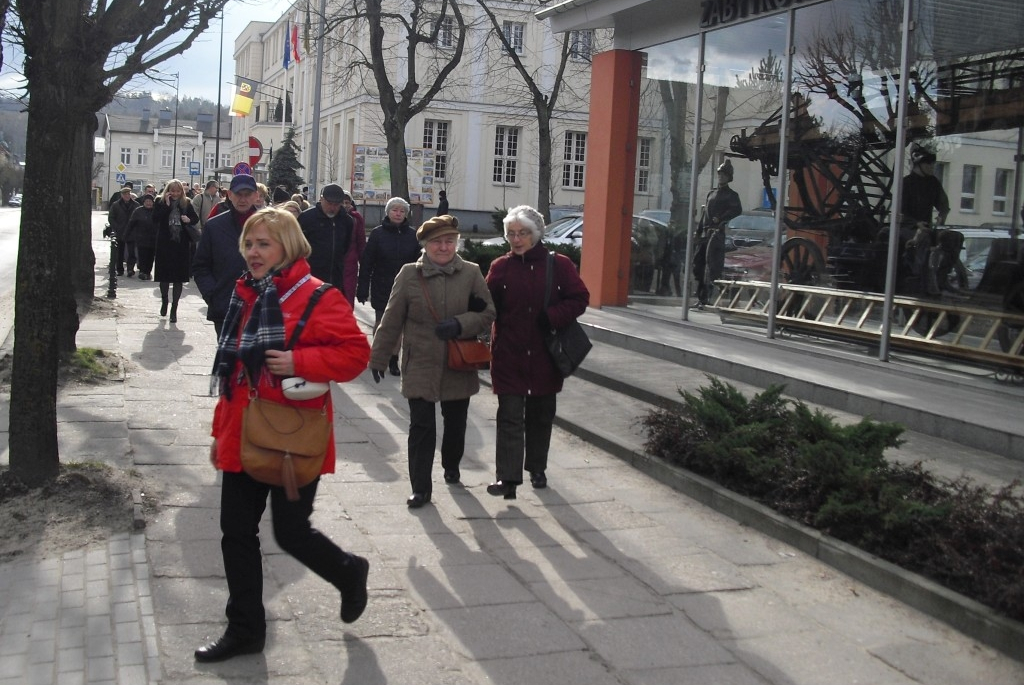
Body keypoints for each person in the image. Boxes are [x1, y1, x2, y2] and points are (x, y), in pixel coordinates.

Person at [195, 207, 371, 663]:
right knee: (235, 532)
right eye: (249, 245)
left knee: (291, 533)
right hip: (243, 432)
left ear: (287, 246)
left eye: (263, 245)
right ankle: (245, 630)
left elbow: (355, 354)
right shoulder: (245, 294)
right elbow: (232, 373)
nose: (252, 253)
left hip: (293, 437)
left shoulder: (317, 296)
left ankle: (349, 572)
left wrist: (300, 362)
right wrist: (219, 434)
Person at [368, 215, 495, 508]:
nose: (443, 247)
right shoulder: (410, 274)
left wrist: (461, 324)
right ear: (425, 245)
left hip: (457, 361)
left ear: (456, 243)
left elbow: (488, 313)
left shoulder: (471, 273)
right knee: (421, 427)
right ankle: (421, 488)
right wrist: (379, 356)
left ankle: (451, 465)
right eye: (437, 242)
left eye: (449, 241)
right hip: (420, 361)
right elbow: (392, 317)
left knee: (456, 423)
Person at [485, 205, 589, 500]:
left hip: (546, 355)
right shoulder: (500, 267)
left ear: (537, 233)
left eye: (523, 234)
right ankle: (507, 478)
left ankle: (537, 467)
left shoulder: (560, 265)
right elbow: (486, 304)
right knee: (509, 416)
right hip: (509, 354)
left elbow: (580, 298)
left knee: (541, 416)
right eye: (511, 234)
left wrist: (554, 315)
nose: (516, 240)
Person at [357, 196, 421, 376]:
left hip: (405, 287)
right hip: (382, 285)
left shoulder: (412, 235)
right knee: (381, 323)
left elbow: (418, 262)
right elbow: (367, 262)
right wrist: (362, 287)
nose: (398, 213)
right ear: (388, 212)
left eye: (402, 211)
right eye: (395, 210)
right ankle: (378, 356)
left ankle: (394, 360)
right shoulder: (378, 234)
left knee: (399, 325)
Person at [194, 174, 261, 337]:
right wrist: (213, 295)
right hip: (225, 305)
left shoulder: (269, 225)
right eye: (238, 194)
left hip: (260, 307)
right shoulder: (214, 226)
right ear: (229, 195)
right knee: (227, 358)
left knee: (256, 359)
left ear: (256, 196)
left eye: (247, 194)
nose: (243, 199)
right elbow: (201, 266)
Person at [901, 145, 951, 295]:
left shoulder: (933, 182)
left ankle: (942, 278)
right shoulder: (906, 183)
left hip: (928, 228)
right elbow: (900, 211)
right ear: (918, 164)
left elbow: (943, 204)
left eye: (932, 164)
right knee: (923, 238)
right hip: (907, 228)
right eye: (928, 164)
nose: (931, 167)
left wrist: (942, 217)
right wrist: (916, 223)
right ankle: (922, 279)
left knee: (953, 238)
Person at [693, 159, 742, 309]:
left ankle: (709, 296)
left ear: (729, 177)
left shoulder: (732, 195)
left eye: (724, 175)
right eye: (720, 174)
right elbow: (704, 214)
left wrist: (721, 218)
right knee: (698, 264)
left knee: (712, 266)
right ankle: (701, 296)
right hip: (706, 233)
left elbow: (736, 210)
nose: (721, 177)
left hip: (717, 234)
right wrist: (699, 230)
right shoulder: (711, 193)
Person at [152, 179, 201, 323]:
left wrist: (188, 219)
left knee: (179, 278)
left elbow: (195, 218)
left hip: (181, 244)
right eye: (172, 191)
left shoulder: (186, 203)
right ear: (168, 190)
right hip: (165, 244)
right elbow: (155, 218)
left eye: (178, 191)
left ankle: (174, 309)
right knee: (164, 277)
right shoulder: (159, 202)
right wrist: (166, 206)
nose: (175, 194)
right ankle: (164, 301)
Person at [298, 183, 354, 293]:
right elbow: (298, 246)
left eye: (336, 205)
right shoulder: (307, 218)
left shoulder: (346, 221)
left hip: (335, 277)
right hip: (311, 276)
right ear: (321, 199)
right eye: (329, 203)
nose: (332, 208)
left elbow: (345, 246)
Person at [108, 186, 140, 276]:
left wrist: (136, 228)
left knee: (131, 252)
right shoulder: (116, 205)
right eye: (125, 194)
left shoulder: (136, 205)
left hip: (131, 232)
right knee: (119, 252)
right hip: (120, 231)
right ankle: (120, 269)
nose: (127, 196)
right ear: (122, 195)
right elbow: (111, 218)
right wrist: (116, 227)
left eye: (128, 194)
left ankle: (130, 269)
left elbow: (138, 218)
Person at [341, 192, 366, 308]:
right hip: (334, 264)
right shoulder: (332, 217)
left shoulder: (356, 218)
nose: (345, 205)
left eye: (347, 202)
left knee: (347, 297)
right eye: (342, 202)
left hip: (350, 265)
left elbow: (361, 243)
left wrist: (364, 264)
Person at [126, 193, 158, 281]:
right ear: (144, 202)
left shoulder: (156, 211)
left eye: (150, 201)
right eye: (147, 201)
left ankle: (148, 272)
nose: (148, 203)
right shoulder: (138, 211)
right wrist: (126, 234)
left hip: (153, 238)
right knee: (142, 255)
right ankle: (142, 272)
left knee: (150, 257)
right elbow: (131, 223)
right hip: (141, 238)